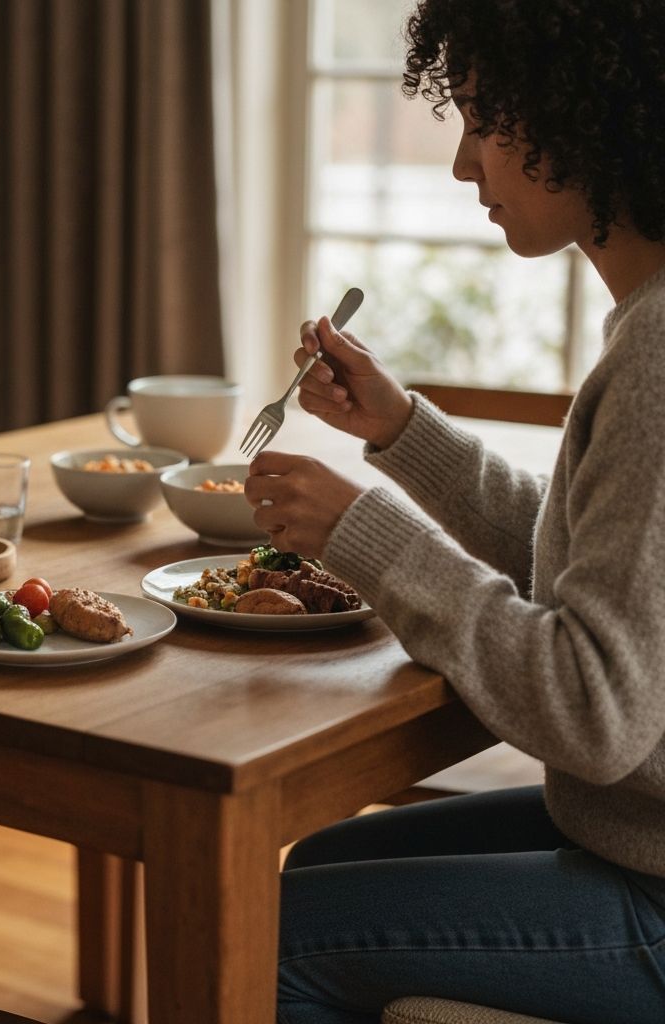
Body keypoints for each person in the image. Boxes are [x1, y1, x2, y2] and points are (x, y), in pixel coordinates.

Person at [244, 1, 665, 1021]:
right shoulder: (644, 326)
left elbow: (594, 707)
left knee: (271, 938)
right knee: (315, 863)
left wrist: (365, 537)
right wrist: (401, 429)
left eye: (484, 121)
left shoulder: (655, 358)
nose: (463, 165)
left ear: (586, 118)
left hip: (651, 888)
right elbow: (587, 573)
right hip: (626, 834)